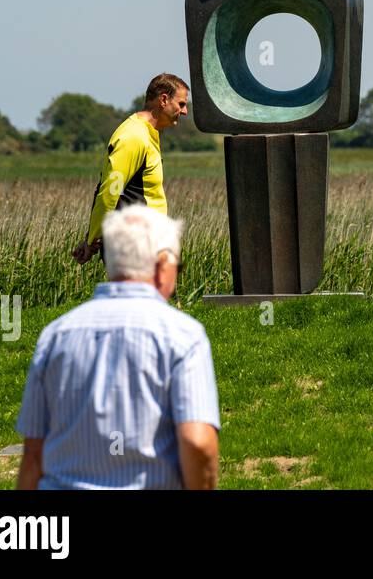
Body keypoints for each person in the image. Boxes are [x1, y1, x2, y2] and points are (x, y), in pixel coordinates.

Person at [16, 204, 220, 490]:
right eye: (178, 268)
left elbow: (33, 457)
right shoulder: (184, 337)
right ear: (162, 266)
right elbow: (197, 443)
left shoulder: (55, 336)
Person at [73, 73, 190, 265]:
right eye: (182, 104)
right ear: (163, 99)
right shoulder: (134, 136)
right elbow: (110, 191)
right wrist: (92, 238)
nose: (184, 111)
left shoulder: (147, 133)